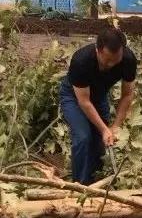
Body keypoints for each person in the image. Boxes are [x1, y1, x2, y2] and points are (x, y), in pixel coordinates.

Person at [59, 28, 137, 185]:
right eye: (107, 60)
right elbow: (84, 102)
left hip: (99, 95)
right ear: (98, 50)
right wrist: (104, 128)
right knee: (83, 137)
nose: (111, 64)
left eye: (116, 60)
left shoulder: (128, 60)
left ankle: (98, 181)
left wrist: (115, 126)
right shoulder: (81, 61)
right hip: (74, 98)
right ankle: (80, 186)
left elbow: (127, 95)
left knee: (101, 143)